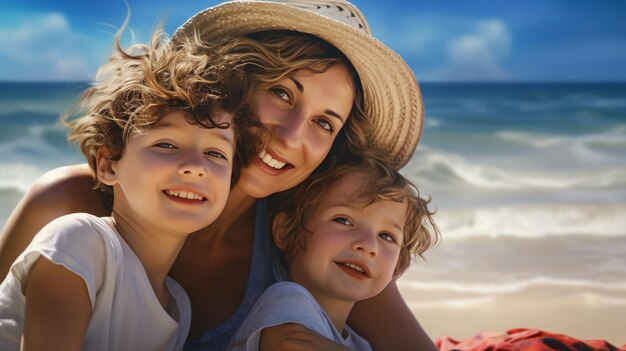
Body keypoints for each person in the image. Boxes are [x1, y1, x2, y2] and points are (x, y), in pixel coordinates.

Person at [0, 1, 434, 350]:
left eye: (324, 123)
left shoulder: (312, 242)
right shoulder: (70, 204)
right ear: (231, 83)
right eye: (281, 94)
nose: (290, 136)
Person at [0, 24, 258, 350]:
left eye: (215, 153)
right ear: (108, 165)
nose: (196, 166)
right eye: (166, 144)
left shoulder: (177, 305)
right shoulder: (79, 241)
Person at [228, 154, 439, 351]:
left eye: (387, 236)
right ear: (284, 231)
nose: (368, 245)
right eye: (343, 220)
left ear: (398, 266)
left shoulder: (360, 344)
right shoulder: (289, 300)